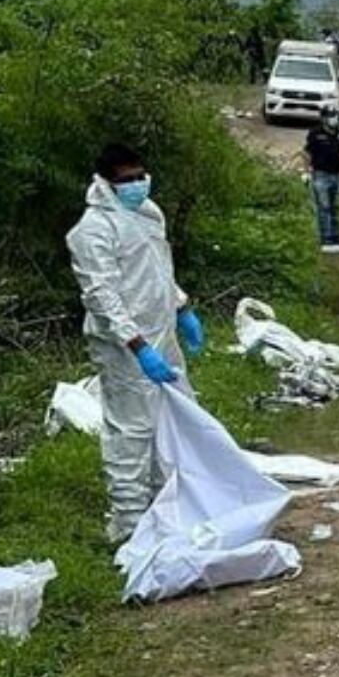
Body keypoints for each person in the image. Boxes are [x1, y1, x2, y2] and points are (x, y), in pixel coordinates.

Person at [66, 143, 204, 544]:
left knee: (177, 418)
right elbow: (102, 295)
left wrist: (181, 307)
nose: (137, 184)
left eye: (141, 175)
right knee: (132, 431)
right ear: (107, 183)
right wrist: (137, 345)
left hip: (161, 332)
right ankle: (129, 526)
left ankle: (170, 507)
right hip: (124, 346)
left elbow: (157, 270)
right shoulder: (92, 231)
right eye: (126, 180)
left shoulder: (147, 214)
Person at [303, 109, 339, 253]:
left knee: (335, 207)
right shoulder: (315, 134)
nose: (334, 119)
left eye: (335, 116)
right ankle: (326, 239)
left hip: (337, 175)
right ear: (324, 118)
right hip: (321, 175)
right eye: (331, 116)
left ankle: (336, 237)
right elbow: (306, 154)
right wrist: (306, 171)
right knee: (324, 207)